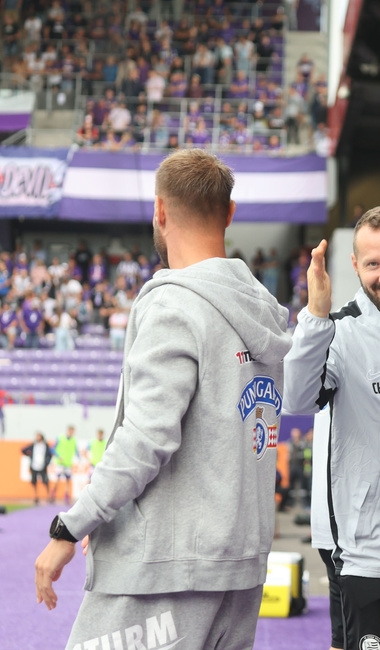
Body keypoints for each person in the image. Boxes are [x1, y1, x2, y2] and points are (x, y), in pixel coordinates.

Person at [33, 149, 291, 650]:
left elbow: (147, 437)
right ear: (230, 214)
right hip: (238, 564)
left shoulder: (175, 303)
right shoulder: (262, 310)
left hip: (166, 569)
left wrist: (71, 526)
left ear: (160, 212)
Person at [283, 206, 380, 650]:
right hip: (372, 558)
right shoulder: (339, 331)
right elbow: (295, 400)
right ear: (355, 265)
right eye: (373, 264)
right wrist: (315, 313)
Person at [22, 432, 53, 505]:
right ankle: (36, 497)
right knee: (34, 482)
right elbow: (23, 450)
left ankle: (48, 496)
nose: (37, 438)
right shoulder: (34, 445)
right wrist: (29, 455)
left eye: (38, 436)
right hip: (34, 466)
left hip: (42, 466)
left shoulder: (45, 445)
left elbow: (49, 454)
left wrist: (47, 462)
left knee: (45, 481)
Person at [51, 425, 79, 504]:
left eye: (72, 431)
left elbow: (76, 450)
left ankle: (66, 496)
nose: (71, 433)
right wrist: (58, 456)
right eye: (70, 431)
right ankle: (53, 494)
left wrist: (79, 458)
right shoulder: (60, 437)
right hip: (60, 463)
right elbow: (52, 448)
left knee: (68, 480)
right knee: (57, 479)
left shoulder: (73, 440)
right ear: (67, 430)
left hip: (68, 464)